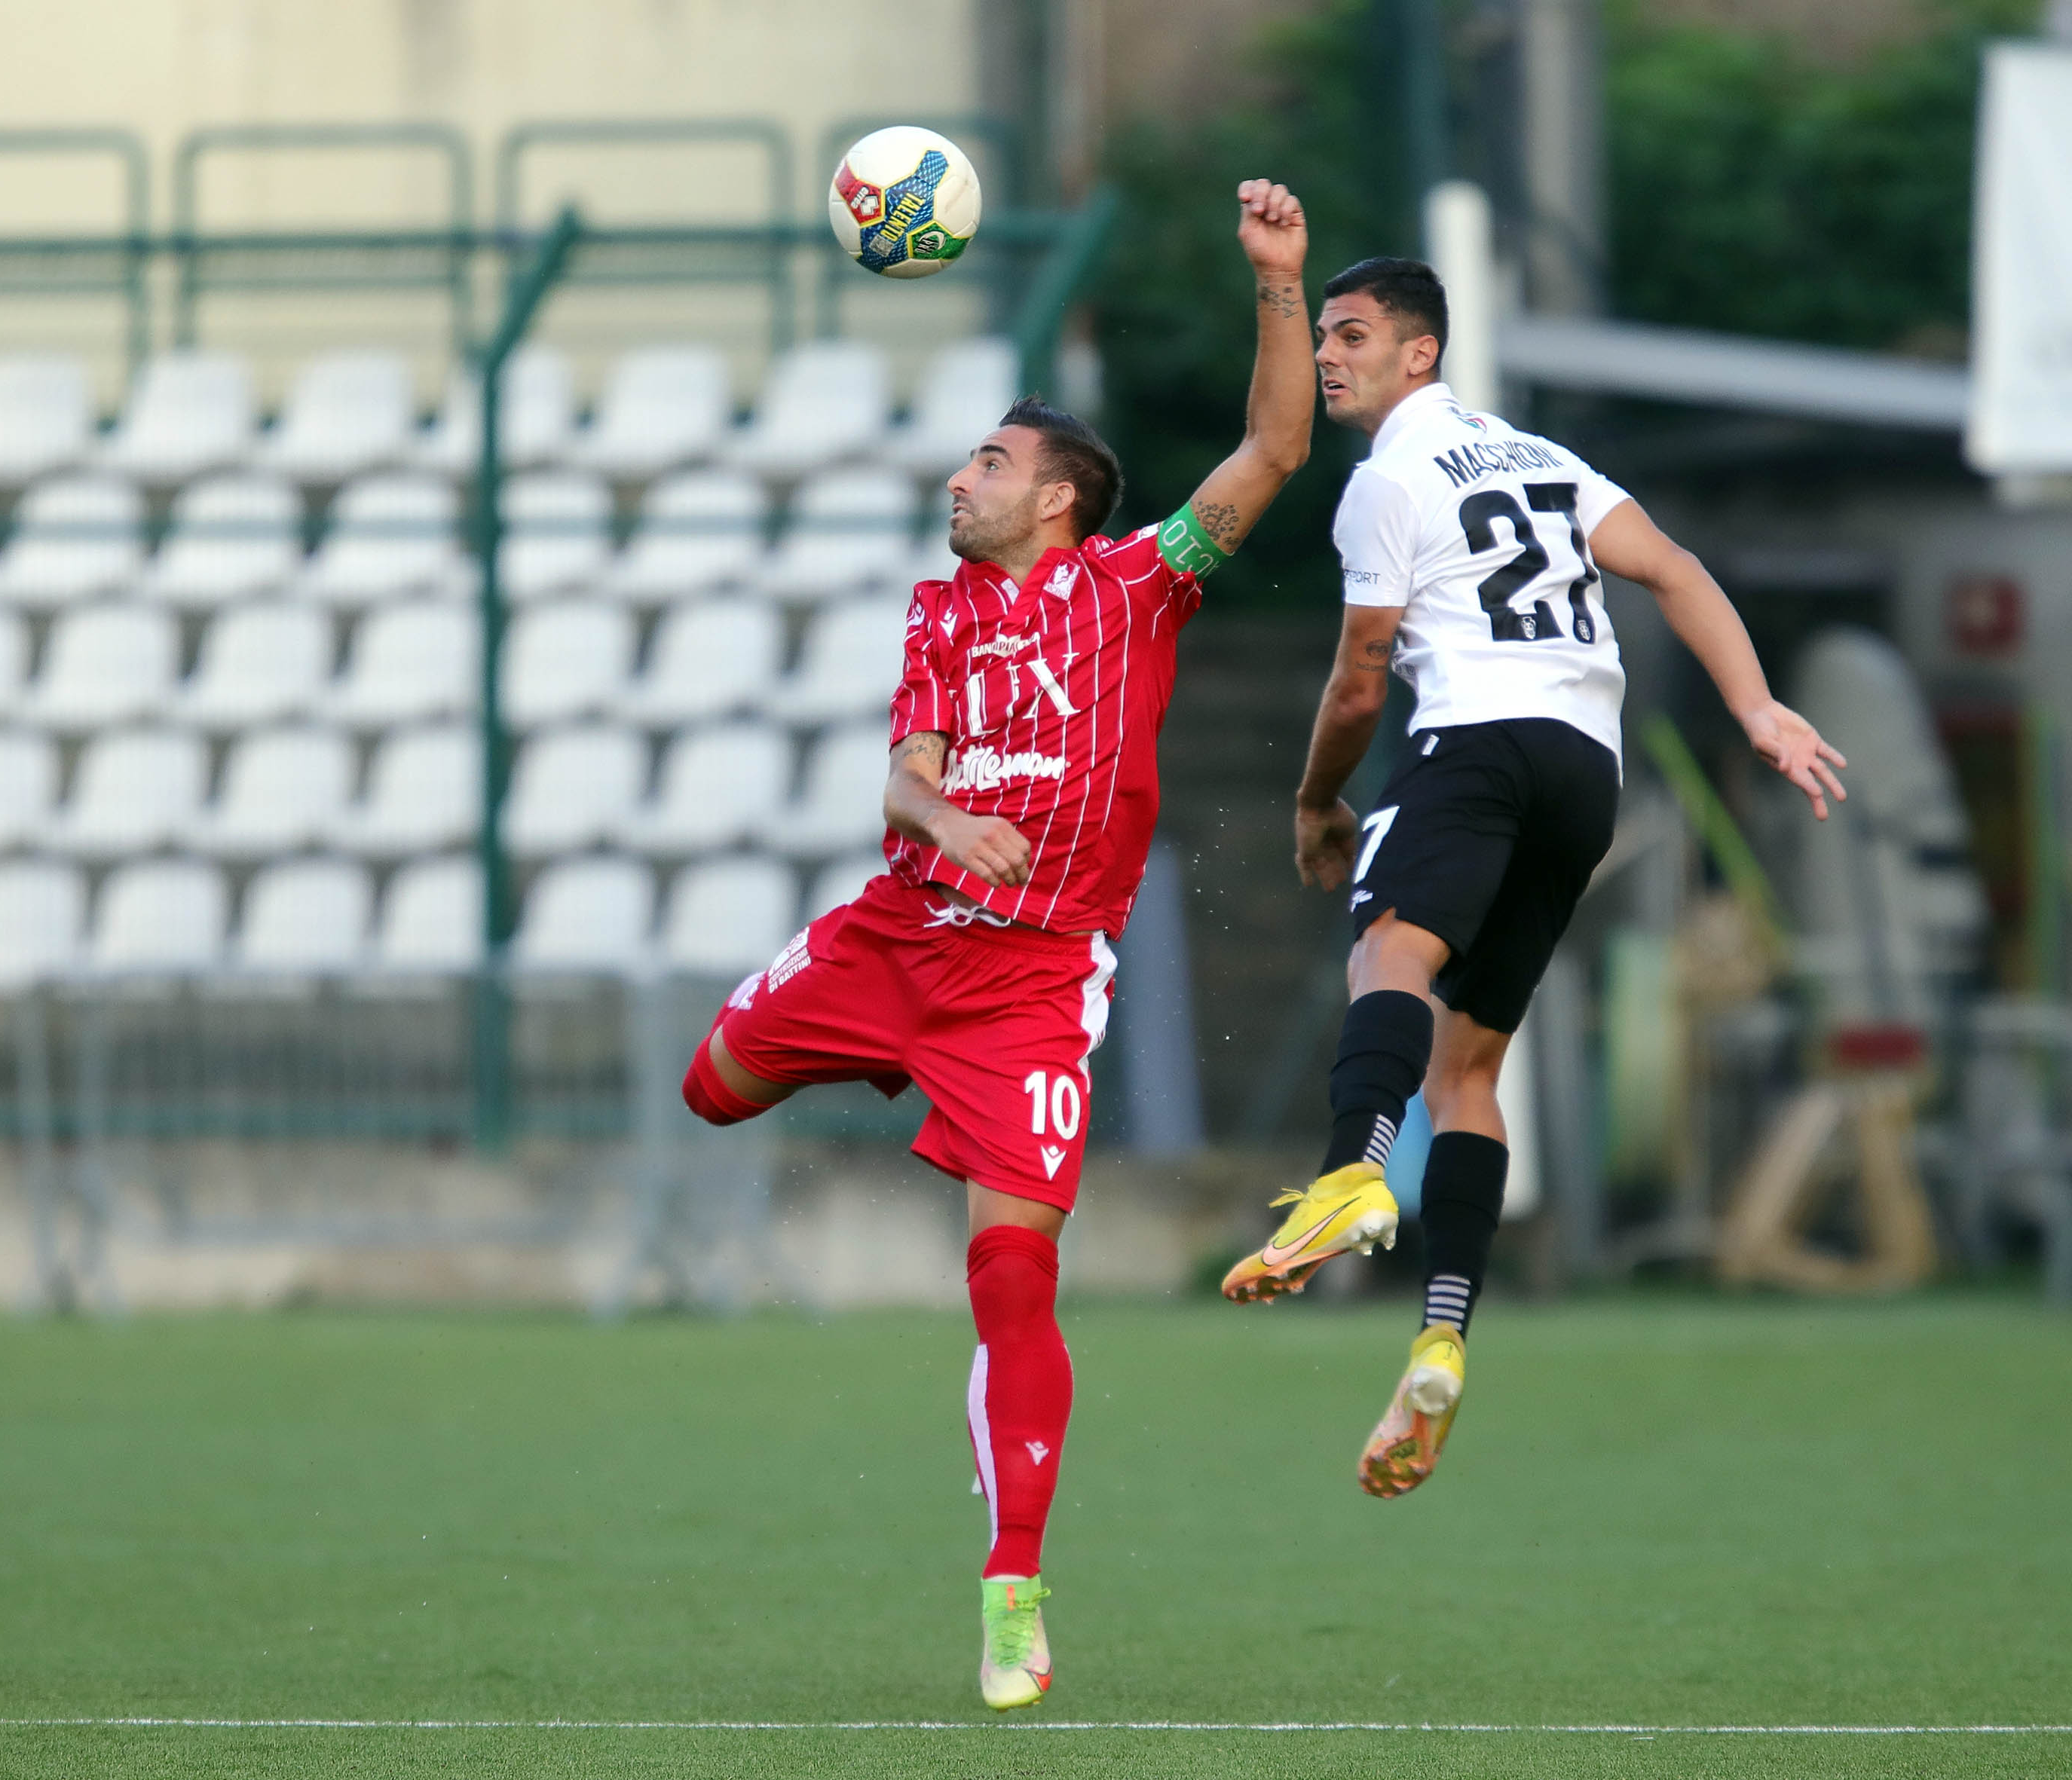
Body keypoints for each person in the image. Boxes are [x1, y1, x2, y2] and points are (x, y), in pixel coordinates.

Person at [679, 179, 1318, 1711]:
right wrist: (943, 821)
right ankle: (867, 1064)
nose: (959, 477)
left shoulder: (1136, 584)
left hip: (1026, 990)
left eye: (988, 459)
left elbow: (1277, 450)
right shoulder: (938, 610)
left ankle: (1012, 1588)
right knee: (708, 1087)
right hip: (893, 936)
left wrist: (1276, 283)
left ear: (1057, 499)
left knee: (1013, 1284)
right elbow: (901, 770)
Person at [1217, 255, 1848, 1500]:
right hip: (1585, 772)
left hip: (1476, 745)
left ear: (1421, 354)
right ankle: (1443, 1331)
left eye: (1353, 335)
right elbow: (1670, 569)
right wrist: (1757, 705)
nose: (1329, 354)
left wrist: (1313, 801)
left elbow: (1358, 680)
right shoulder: (1540, 457)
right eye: (1324, 334)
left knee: (1390, 952)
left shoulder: (1385, 481)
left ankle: (1352, 1173)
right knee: (1473, 1069)